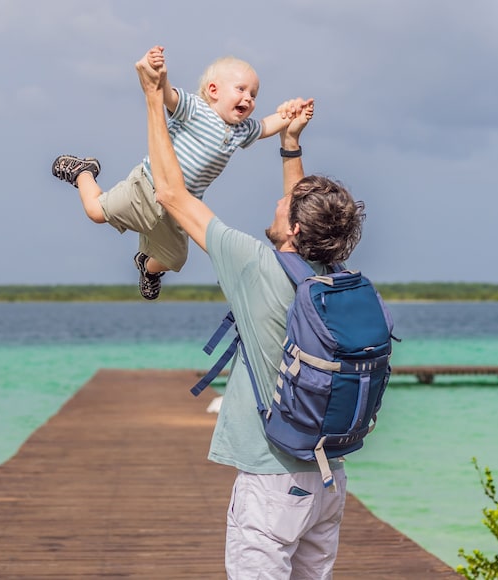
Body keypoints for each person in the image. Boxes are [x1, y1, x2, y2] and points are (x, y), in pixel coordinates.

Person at [137, 53, 367, 578]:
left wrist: (155, 100)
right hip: (328, 480)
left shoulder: (253, 264)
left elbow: (171, 194)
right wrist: (290, 142)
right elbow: (299, 202)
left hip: (271, 483)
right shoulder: (330, 271)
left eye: (288, 206)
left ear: (293, 232)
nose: (280, 202)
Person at [52, 45, 312, 300]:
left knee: (174, 259)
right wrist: (160, 76)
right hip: (147, 187)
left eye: (254, 95)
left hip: (180, 209)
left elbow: (267, 126)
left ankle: (147, 268)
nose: (249, 98)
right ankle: (83, 172)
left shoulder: (241, 131)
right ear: (213, 91)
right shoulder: (196, 109)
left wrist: (293, 114)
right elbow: (168, 97)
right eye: (241, 89)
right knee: (96, 212)